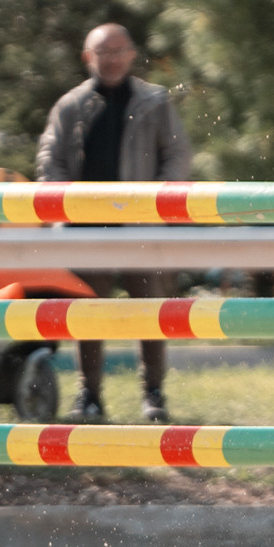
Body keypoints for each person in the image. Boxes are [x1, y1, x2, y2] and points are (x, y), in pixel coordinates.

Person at [37, 23, 193, 423]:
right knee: (87, 316)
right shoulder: (69, 105)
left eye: (118, 50)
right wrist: (65, 201)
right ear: (87, 57)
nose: (110, 59)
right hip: (85, 231)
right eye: (102, 52)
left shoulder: (155, 101)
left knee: (151, 314)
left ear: (131, 53)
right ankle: (89, 397)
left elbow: (177, 156)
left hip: (141, 229)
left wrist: (160, 199)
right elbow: (48, 161)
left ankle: (153, 396)